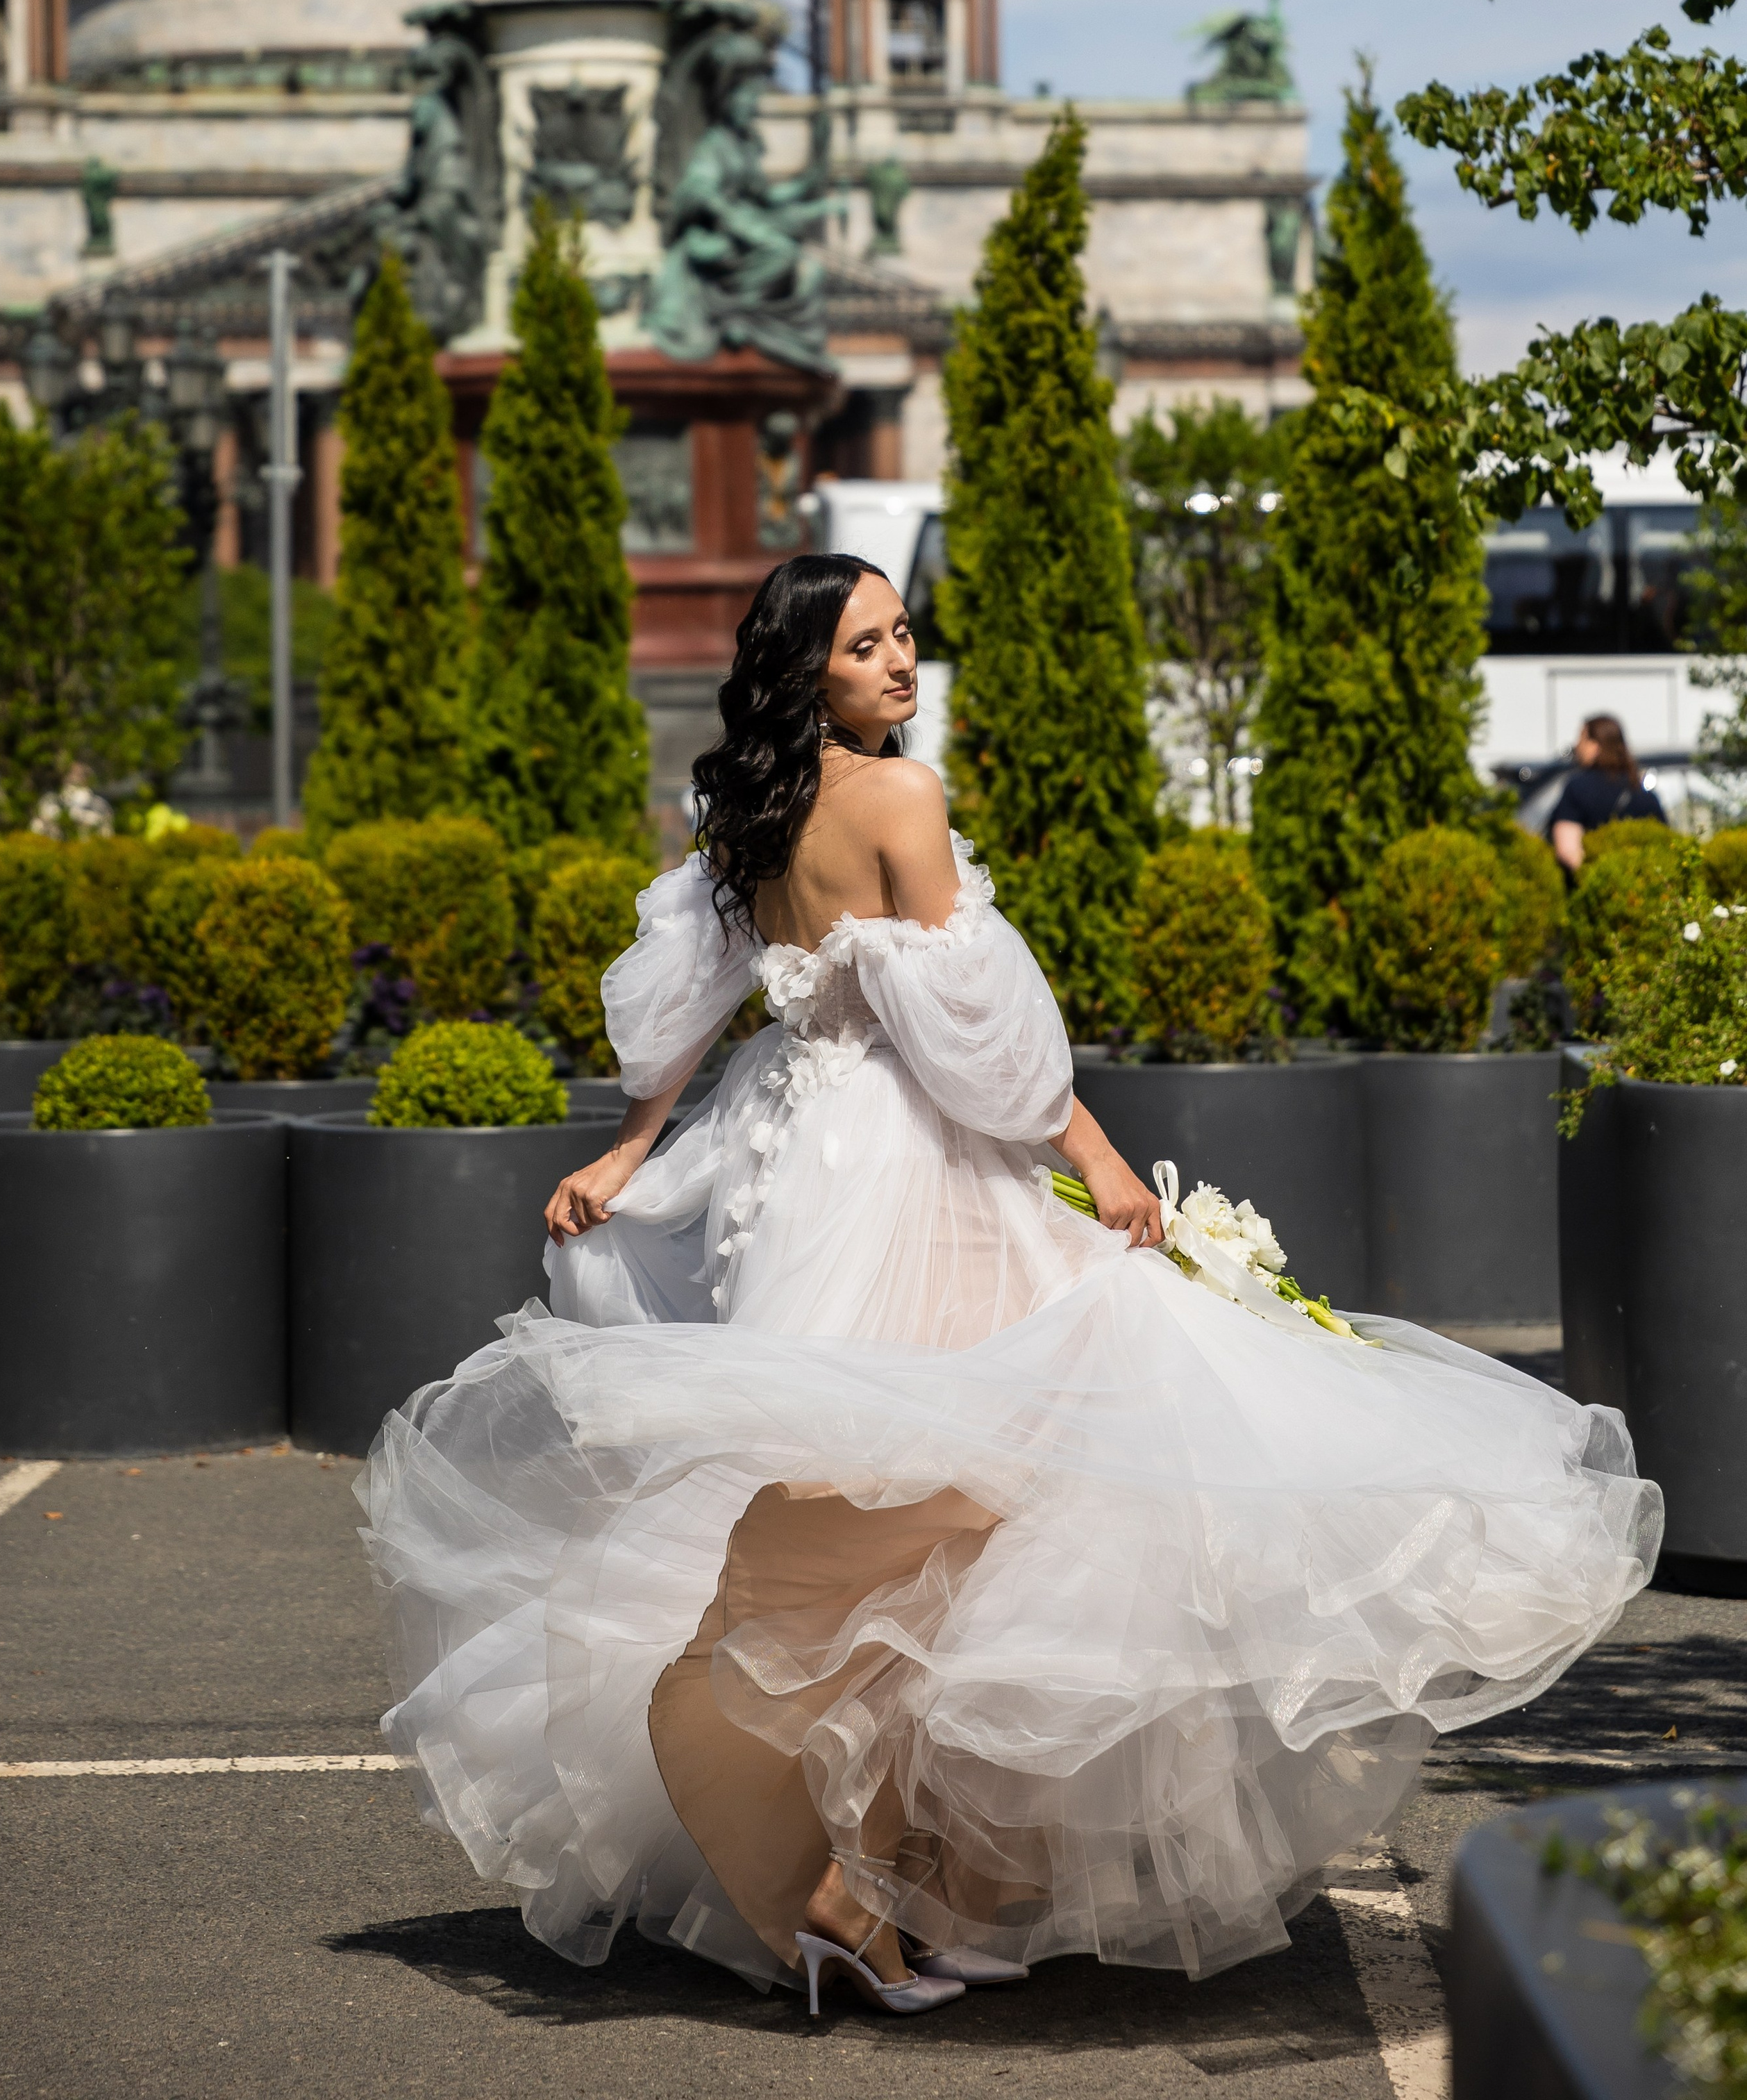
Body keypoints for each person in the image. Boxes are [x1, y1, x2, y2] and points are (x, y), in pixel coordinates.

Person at [357, 556, 1660, 2018]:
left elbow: (689, 1013)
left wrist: (630, 1149)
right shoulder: (900, 801)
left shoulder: (750, 813)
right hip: (909, 1169)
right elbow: (981, 1050)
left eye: (903, 633)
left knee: (894, 1502)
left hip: (788, 1176)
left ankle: (913, 1886)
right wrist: (1101, 1165)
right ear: (810, 674)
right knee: (986, 1490)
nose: (900, 661)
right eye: (866, 644)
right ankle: (874, 1885)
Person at [1550, 712, 1667, 876]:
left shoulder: (1578, 788)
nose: (1577, 746)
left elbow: (1567, 850)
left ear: (1595, 745)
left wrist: (1595, 878)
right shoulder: (1642, 793)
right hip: (1639, 883)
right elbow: (1663, 843)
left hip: (1592, 883)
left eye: (1582, 739)